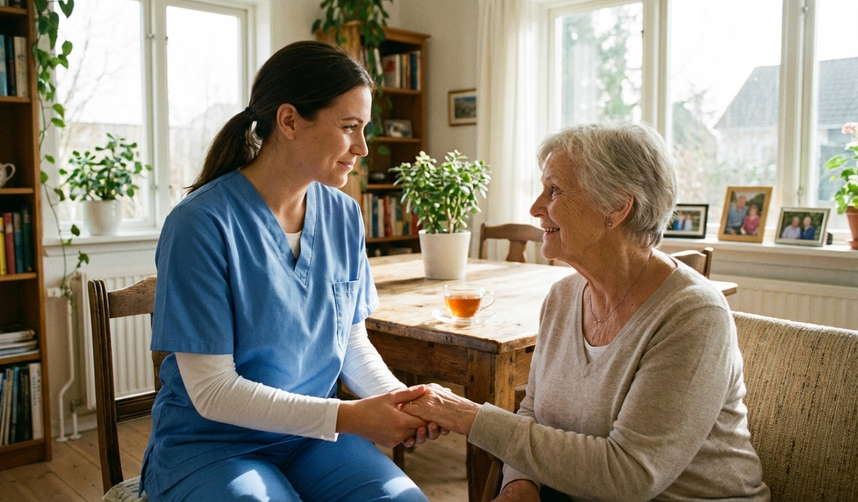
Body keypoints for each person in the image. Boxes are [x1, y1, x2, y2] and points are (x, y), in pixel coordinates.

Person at [403, 122, 769, 501]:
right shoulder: (563, 297)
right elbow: (533, 412)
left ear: (616, 206)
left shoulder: (693, 315)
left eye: (554, 190)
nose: (534, 207)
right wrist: (519, 483)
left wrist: (469, 417)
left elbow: (630, 475)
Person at [141, 41, 438, 502]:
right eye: (349, 127)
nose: (362, 147)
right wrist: (351, 417)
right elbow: (213, 391)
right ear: (289, 121)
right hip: (213, 448)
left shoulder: (343, 215)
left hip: (312, 441)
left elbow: (351, 342)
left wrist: (401, 401)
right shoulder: (200, 224)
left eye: (365, 129)